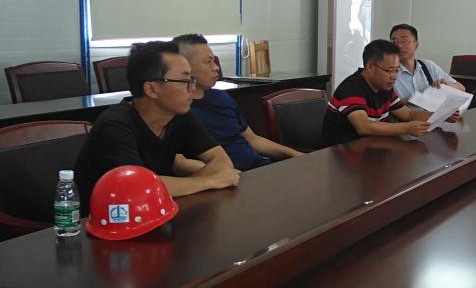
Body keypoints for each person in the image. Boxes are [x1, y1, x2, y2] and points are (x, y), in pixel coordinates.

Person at [75, 40, 239, 210]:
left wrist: (185, 184)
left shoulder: (179, 114)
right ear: (151, 89)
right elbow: (137, 188)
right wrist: (208, 181)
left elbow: (222, 162)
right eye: (184, 80)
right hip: (106, 219)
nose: (192, 87)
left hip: (152, 211)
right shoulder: (114, 126)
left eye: (192, 79)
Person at [172, 33, 302, 169]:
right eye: (208, 62)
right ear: (185, 67)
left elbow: (252, 139)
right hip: (225, 176)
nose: (216, 67)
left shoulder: (221, 97)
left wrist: (296, 155)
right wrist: (226, 174)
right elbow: (179, 162)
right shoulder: (177, 109)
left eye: (214, 61)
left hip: (258, 167)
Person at [322, 39, 433, 145]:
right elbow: (363, 127)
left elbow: (408, 115)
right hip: (340, 152)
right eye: (389, 70)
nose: (394, 76)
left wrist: (438, 115)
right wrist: (407, 128)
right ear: (370, 67)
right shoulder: (351, 88)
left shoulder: (384, 87)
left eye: (397, 70)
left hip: (372, 147)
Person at [389, 23, 465, 103]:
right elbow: (387, 105)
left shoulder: (428, 66)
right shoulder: (388, 73)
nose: (399, 45)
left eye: (404, 41)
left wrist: (444, 89)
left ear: (416, 45)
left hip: (434, 110)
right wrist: (422, 96)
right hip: (406, 111)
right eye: (394, 42)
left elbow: (461, 87)